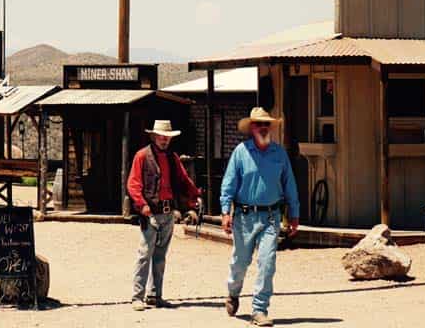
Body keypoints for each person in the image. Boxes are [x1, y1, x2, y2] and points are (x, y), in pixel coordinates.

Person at [220, 107, 300, 327]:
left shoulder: (280, 153)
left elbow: (290, 185)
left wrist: (294, 214)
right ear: (251, 128)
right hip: (244, 217)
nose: (263, 128)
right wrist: (226, 212)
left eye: (266, 124)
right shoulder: (240, 152)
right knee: (240, 262)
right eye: (258, 124)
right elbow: (228, 184)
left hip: (272, 217)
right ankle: (233, 293)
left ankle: (259, 309)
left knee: (267, 263)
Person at [127, 120, 202, 311]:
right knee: (144, 255)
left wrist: (194, 196)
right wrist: (142, 205)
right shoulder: (142, 156)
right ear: (153, 136)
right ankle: (137, 296)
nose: (164, 140)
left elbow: (184, 180)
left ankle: (155, 295)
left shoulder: (172, 157)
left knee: (160, 256)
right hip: (150, 212)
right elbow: (133, 184)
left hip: (168, 213)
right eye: (161, 136)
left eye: (167, 137)